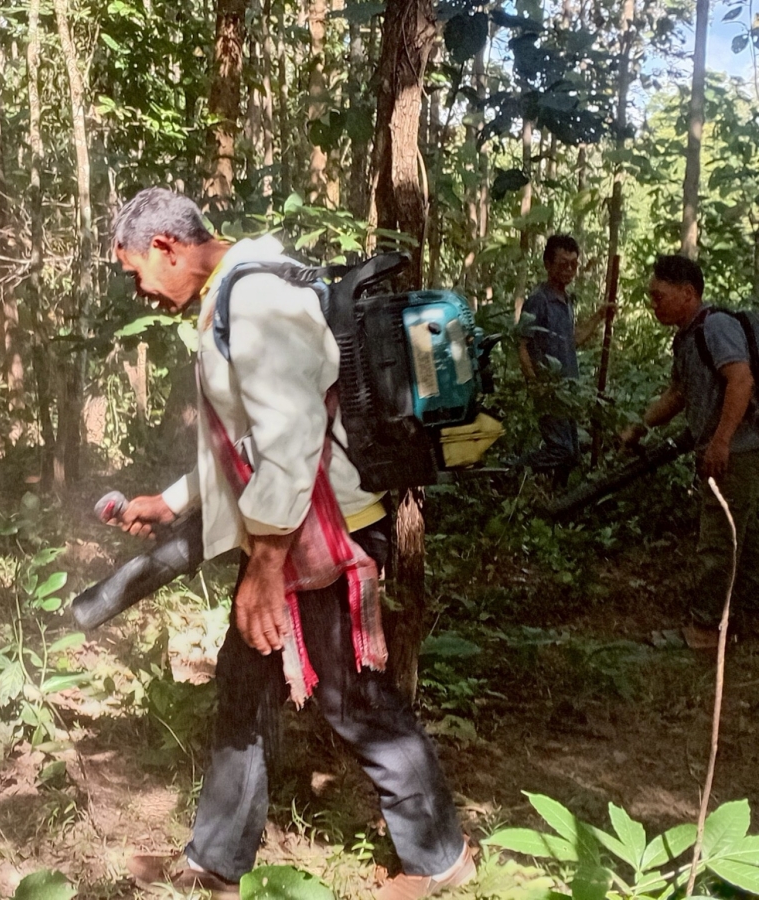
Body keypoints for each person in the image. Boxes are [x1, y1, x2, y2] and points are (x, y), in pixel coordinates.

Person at [110, 187, 470, 900]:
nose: (139, 292)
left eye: (135, 273)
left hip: (324, 532)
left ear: (166, 247)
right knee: (244, 689)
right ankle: (215, 864)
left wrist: (266, 566)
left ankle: (439, 858)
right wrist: (172, 502)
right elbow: (247, 440)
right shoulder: (231, 295)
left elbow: (294, 435)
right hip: (291, 524)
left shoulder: (255, 300)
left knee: (352, 697)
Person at [621, 255, 759, 650]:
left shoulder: (715, 327)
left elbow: (741, 380)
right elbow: (677, 394)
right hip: (736, 449)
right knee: (743, 537)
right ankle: (740, 619)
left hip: (738, 452)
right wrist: (639, 426)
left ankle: (705, 629)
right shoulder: (686, 337)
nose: (654, 304)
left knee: (719, 539)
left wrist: (721, 441)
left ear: (687, 293)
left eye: (659, 296)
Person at [517, 235, 612, 483]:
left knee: (572, 454)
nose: (569, 270)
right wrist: (536, 384)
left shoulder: (567, 301)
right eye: (563, 264)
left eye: (573, 264)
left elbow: (572, 340)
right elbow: (522, 345)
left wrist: (599, 316)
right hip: (549, 389)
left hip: (567, 390)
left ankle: (555, 496)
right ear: (548, 264)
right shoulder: (538, 301)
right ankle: (511, 470)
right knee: (562, 450)